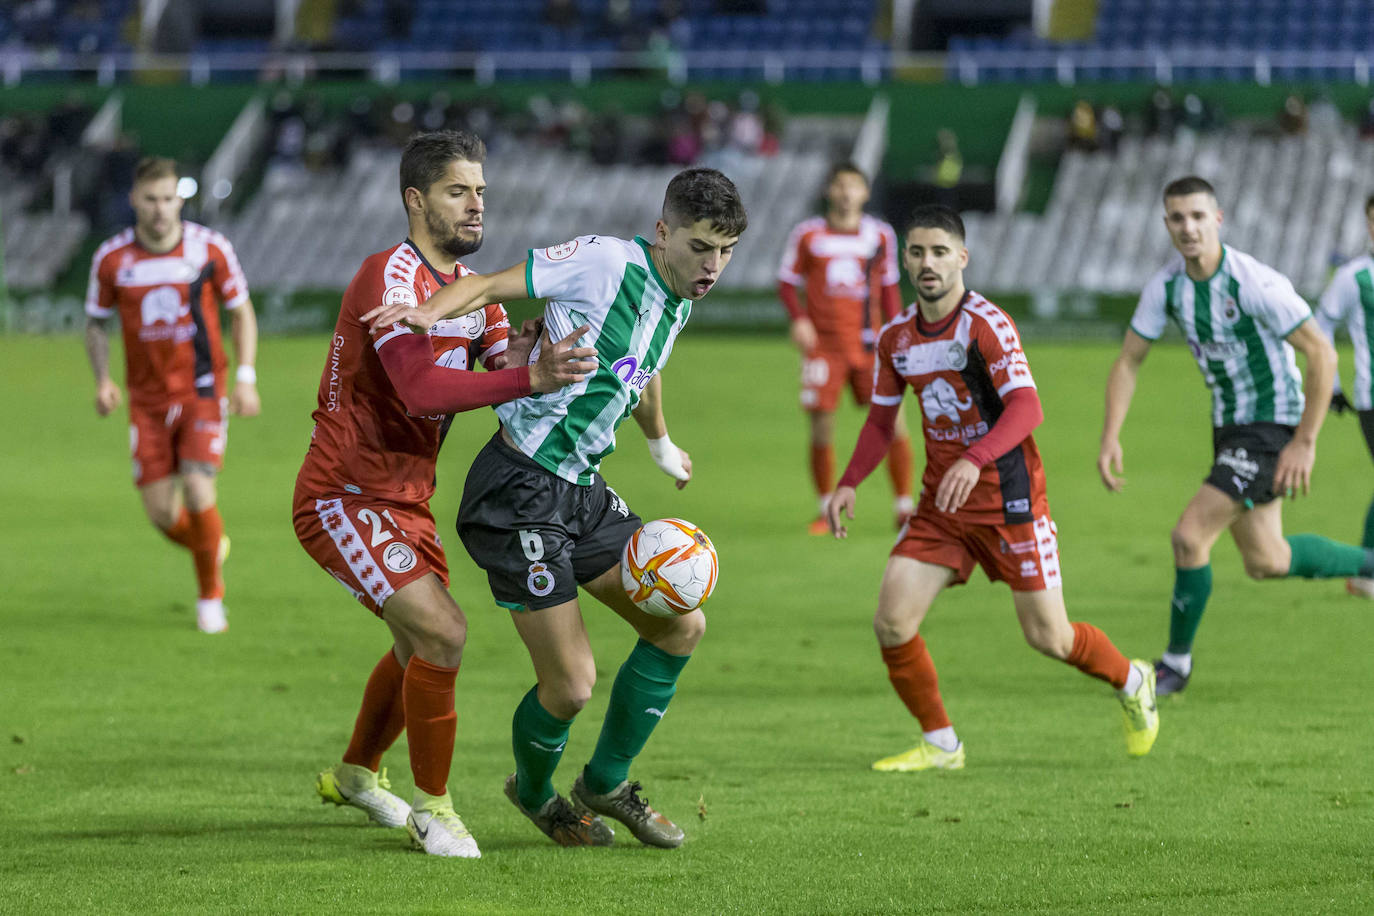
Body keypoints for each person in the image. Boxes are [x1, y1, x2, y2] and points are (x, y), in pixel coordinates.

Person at [362, 167, 747, 849]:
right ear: (663, 233)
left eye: (725, 251)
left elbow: (643, 370)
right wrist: (426, 314)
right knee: (570, 685)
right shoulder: (604, 262)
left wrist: (660, 445)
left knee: (682, 627)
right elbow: (486, 284)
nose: (712, 265)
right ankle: (536, 794)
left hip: (582, 491)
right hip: (519, 491)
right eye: (699, 247)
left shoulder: (680, 297)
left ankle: (604, 783)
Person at [293, 129, 597, 858]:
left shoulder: (476, 299)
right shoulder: (387, 279)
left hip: (406, 498)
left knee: (413, 646)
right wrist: (529, 375)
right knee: (442, 633)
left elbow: (506, 382)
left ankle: (358, 774)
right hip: (343, 494)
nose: (476, 206)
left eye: (481, 192)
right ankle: (435, 811)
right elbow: (421, 389)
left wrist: (537, 352)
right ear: (416, 199)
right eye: (459, 191)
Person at [827, 204, 1159, 771]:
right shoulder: (896, 339)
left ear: (962, 258)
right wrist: (850, 481)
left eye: (939, 252)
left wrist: (975, 458)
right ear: (905, 259)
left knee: (1049, 638)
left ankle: (1133, 679)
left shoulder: (985, 323)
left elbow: (1028, 407)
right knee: (892, 621)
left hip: (1010, 501)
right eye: (917, 252)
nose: (927, 263)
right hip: (942, 507)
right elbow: (882, 420)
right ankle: (942, 745)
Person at [1099, 176, 1374, 696]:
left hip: (1273, 424)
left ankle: (1174, 666)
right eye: (1178, 218)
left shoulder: (1253, 282)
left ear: (1218, 220)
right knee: (1267, 560)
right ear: (1166, 225)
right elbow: (1129, 360)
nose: (1188, 228)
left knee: (1189, 535)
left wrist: (1305, 442)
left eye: (1198, 217)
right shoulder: (1167, 288)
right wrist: (1112, 434)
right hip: (1230, 427)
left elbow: (1322, 352)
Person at [84, 156, 260, 634]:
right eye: (150, 199)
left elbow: (241, 313)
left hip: (203, 388)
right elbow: (96, 324)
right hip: (146, 400)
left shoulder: (209, 249)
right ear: (134, 201)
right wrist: (102, 380)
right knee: (162, 513)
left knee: (200, 487)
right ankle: (211, 543)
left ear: (179, 199)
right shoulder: (112, 259)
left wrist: (246, 376)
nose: (160, 209)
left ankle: (211, 599)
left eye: (168, 199)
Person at [778, 162, 914, 535]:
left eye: (853, 186)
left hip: (869, 345)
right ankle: (826, 509)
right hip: (823, 347)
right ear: (828, 190)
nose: (845, 193)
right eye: (839, 185)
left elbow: (888, 288)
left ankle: (904, 506)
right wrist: (799, 319)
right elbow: (787, 283)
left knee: (892, 421)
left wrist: (898, 333)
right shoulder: (808, 234)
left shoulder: (879, 235)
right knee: (822, 427)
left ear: (865, 193)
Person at [1313, 194, 1374, 598]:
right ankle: (1364, 570)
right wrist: (1331, 386)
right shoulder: (1354, 276)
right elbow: (1320, 326)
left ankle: (1364, 571)